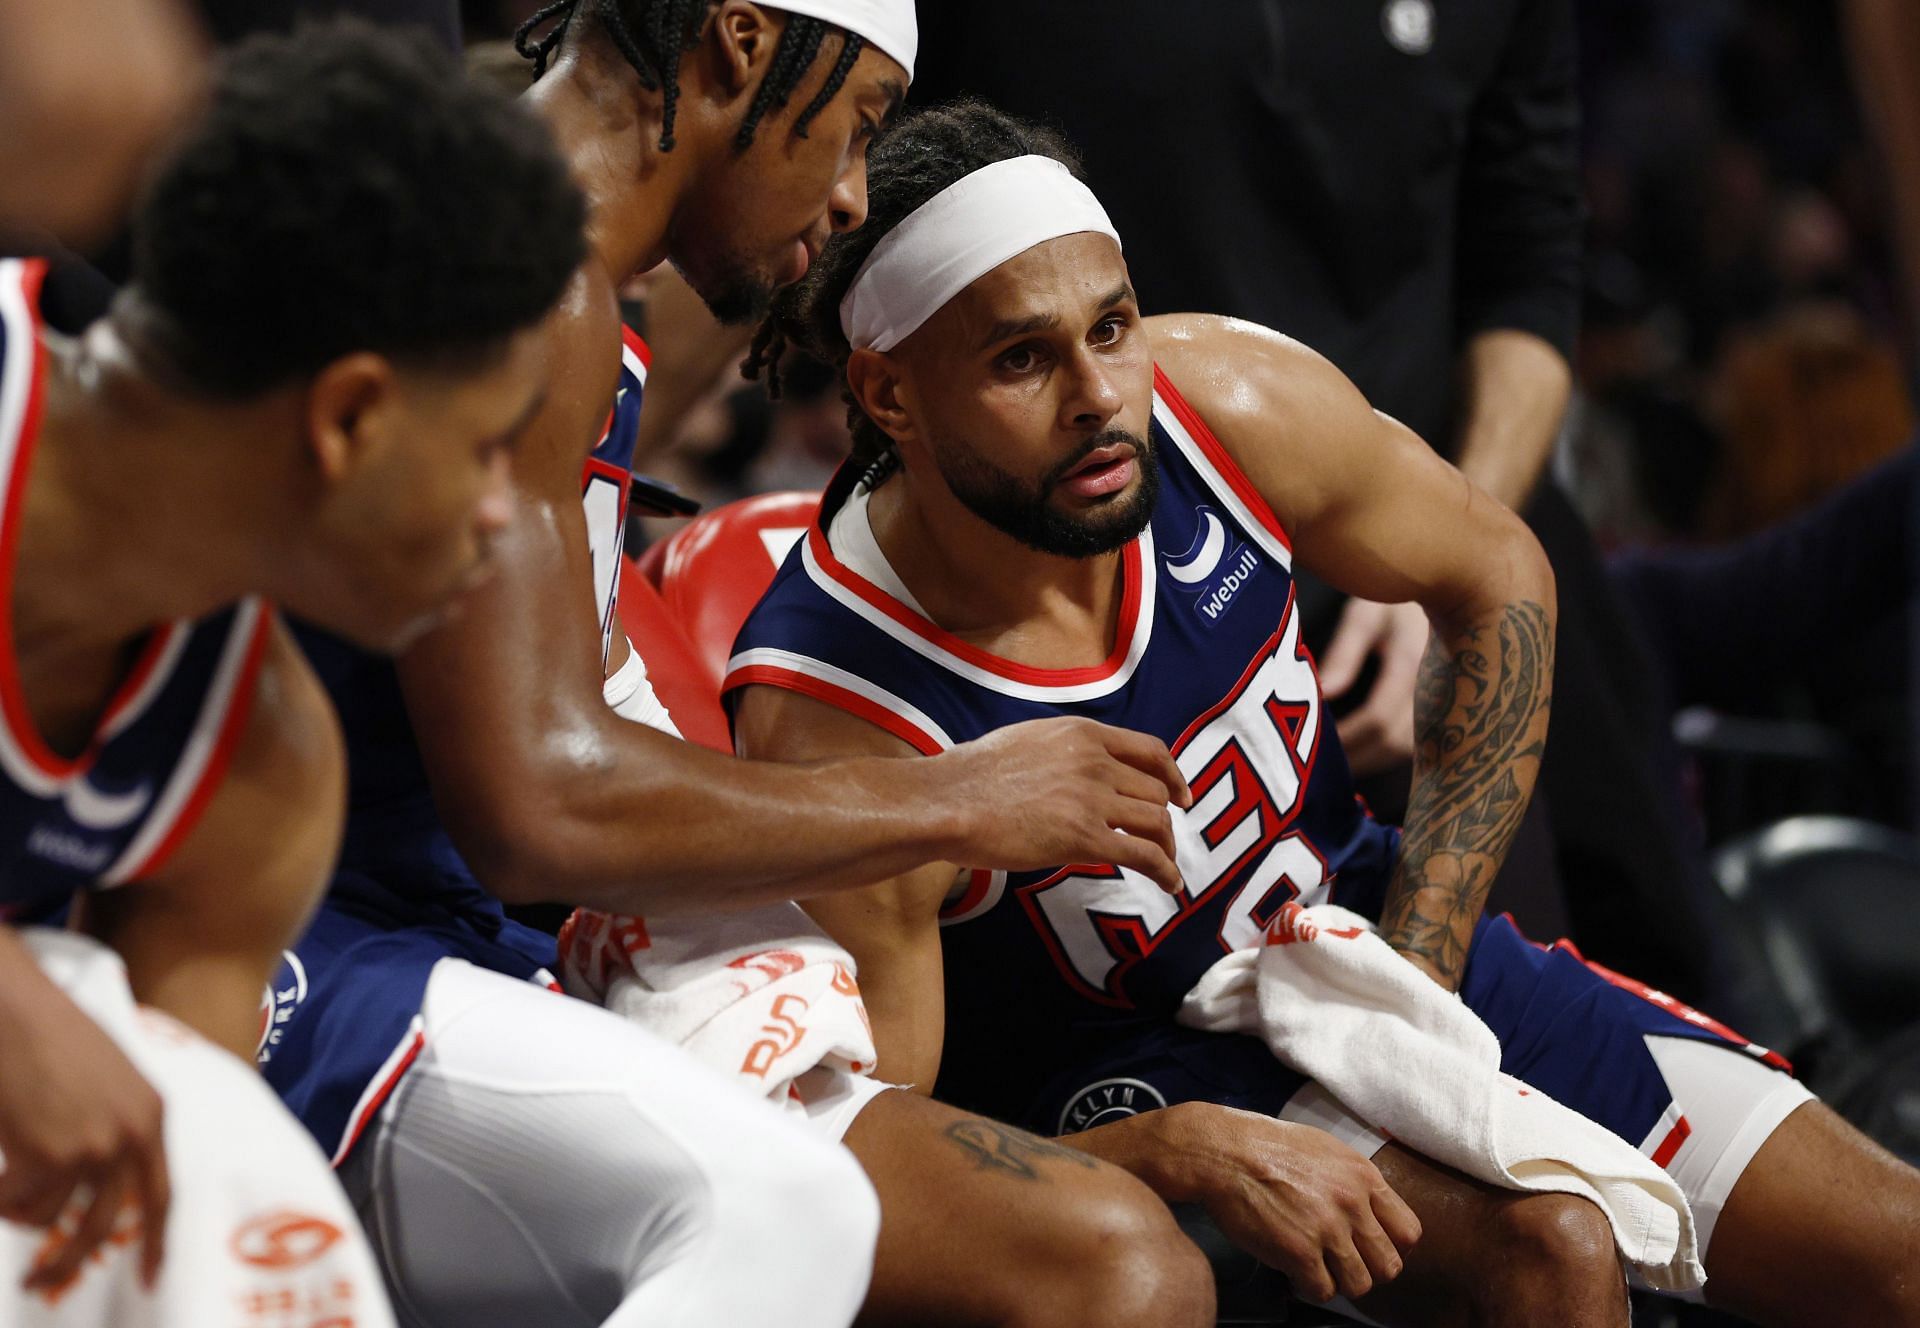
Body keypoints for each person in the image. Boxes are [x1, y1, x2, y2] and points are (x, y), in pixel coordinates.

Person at [730, 101, 1920, 1327]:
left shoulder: (1225, 406)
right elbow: (878, 1148)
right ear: (889, 396)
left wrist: (1425, 958)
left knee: (1899, 1248)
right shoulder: (840, 710)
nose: (1099, 395)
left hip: (1353, 931)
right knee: (1552, 1256)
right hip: (1127, 1076)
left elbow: (1497, 568)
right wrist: (1173, 1151)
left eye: (1113, 326)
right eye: (1022, 359)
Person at [263, 6, 1212, 1326]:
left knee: (1119, 1262)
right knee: (809, 1216)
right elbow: (536, 810)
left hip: (440, 927)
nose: (849, 195)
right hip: (289, 945)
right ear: (742, 44)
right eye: (860, 124)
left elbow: (575, 699)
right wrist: (955, 797)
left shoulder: (574, 275)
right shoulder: (508, 268)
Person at [906, 0, 1737, 1004]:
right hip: (1115, 574)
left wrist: (1432, 560)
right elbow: (846, 179)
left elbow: (1526, 273)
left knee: (1634, 1005)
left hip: (1431, 528)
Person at [0, 23, 589, 1323]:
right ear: (349, 418)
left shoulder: (258, 769)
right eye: (489, 447)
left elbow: (129, 1217)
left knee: (198, 1195)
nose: (503, 514)